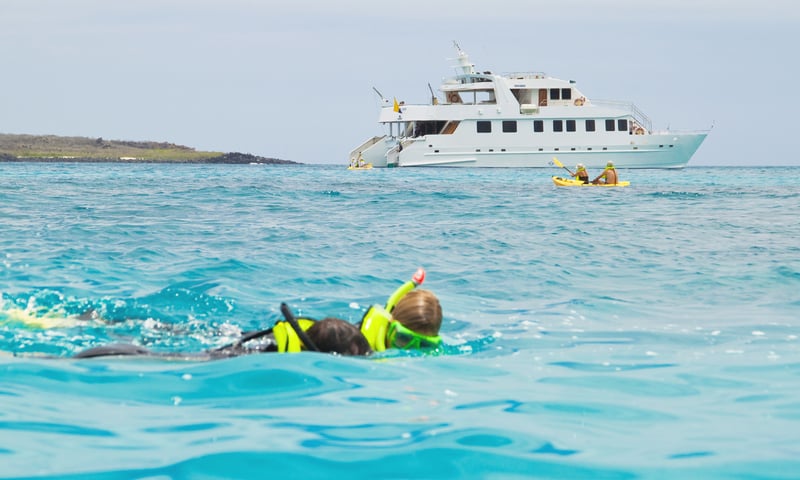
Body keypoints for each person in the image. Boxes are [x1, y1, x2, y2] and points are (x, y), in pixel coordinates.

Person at [73, 305, 372, 359]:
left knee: (169, 332)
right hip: (219, 354)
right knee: (153, 354)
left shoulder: (283, 344)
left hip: (228, 336)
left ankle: (99, 321)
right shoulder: (268, 353)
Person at [359, 268, 443, 352]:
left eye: (424, 345)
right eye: (404, 338)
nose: (410, 350)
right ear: (389, 325)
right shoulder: (355, 346)